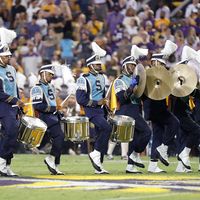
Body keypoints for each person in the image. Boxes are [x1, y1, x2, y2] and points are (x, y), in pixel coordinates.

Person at [112, 45, 151, 173]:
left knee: (135, 138)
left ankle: (130, 166)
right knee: (146, 132)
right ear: (125, 66)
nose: (133, 68)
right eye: (131, 65)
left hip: (136, 109)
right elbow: (122, 99)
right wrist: (132, 86)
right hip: (127, 110)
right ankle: (134, 154)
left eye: (134, 66)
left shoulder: (136, 78)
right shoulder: (119, 81)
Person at [76, 42, 112, 174]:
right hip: (91, 110)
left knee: (100, 135)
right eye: (97, 64)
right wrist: (97, 103)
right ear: (91, 66)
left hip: (101, 111)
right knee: (107, 128)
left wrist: (106, 107)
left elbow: (102, 95)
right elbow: (80, 99)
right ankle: (95, 153)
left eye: (100, 63)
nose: (100, 65)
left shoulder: (103, 77)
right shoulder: (83, 79)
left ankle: (99, 166)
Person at [144, 40, 180, 173]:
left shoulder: (154, 73)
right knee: (174, 123)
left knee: (158, 134)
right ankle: (163, 148)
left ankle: (152, 165)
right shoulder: (151, 73)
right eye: (161, 63)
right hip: (155, 108)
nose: (164, 66)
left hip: (155, 108)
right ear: (155, 62)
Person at [30, 64, 65, 175]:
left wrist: (58, 111)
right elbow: (38, 106)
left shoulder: (51, 87)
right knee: (59, 136)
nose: (51, 76)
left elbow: (52, 103)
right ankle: (51, 159)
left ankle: (55, 164)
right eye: (49, 74)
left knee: (59, 138)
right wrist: (53, 109)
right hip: (44, 117)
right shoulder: (37, 88)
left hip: (52, 116)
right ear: (42, 73)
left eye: (52, 75)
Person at [0, 41, 25, 176]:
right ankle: (2, 162)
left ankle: (6, 164)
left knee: (11, 134)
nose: (8, 58)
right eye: (5, 56)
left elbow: (14, 88)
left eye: (8, 56)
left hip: (13, 106)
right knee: (11, 131)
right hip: (3, 105)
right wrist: (15, 100)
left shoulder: (12, 69)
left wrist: (19, 105)